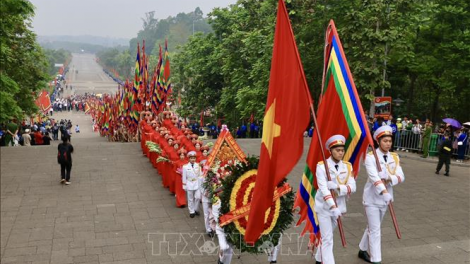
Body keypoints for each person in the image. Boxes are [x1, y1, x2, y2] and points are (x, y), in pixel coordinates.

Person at [358, 125, 405, 264]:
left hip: (386, 199)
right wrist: (383, 191)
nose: (388, 143)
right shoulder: (370, 157)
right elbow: (373, 178)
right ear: (378, 141)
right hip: (372, 198)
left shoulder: (394, 157)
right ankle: (376, 259)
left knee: (373, 226)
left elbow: (401, 176)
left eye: (390, 141)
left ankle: (362, 249)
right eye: (385, 141)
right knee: (375, 230)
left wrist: (390, 178)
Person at [314, 135, 356, 264]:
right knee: (328, 238)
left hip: (340, 207)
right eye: (337, 150)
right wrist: (333, 207)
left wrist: (338, 187)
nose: (340, 152)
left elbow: (352, 187)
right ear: (330, 151)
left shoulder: (348, 167)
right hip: (325, 207)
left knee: (328, 234)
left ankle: (318, 257)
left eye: (342, 150)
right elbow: (324, 189)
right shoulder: (321, 166)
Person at [182, 151, 202, 218]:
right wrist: (184, 185)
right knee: (190, 198)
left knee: (198, 197)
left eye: (194, 158)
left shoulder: (198, 165)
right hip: (189, 183)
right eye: (191, 158)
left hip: (197, 183)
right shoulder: (185, 167)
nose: (193, 159)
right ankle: (191, 211)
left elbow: (200, 175)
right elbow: (184, 177)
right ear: (189, 159)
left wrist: (201, 184)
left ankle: (196, 209)